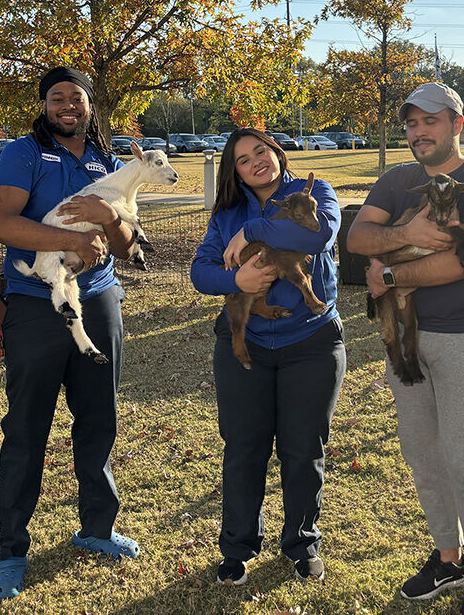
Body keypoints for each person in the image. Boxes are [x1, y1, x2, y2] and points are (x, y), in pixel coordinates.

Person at [347, 82, 464, 615]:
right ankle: (448, 558)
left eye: (431, 121)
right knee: (424, 457)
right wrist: (408, 232)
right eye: (412, 123)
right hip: (406, 340)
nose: (419, 132)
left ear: (457, 124)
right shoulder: (396, 180)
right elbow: (355, 241)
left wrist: (389, 270)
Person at [0, 66, 141, 599]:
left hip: (99, 300)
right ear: (44, 105)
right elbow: (0, 223)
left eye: (77, 98)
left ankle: (97, 527)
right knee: (27, 429)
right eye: (57, 98)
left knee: (99, 419)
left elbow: (124, 245)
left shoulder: (105, 159)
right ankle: (11, 551)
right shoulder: (22, 153)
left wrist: (109, 219)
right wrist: (66, 239)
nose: (67, 106)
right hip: (34, 305)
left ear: (90, 106)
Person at [190, 129, 345, 585]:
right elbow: (201, 271)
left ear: (277, 152)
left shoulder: (313, 193)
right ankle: (238, 547)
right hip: (248, 344)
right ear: (233, 171)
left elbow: (319, 237)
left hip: (310, 342)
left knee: (303, 449)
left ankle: (302, 543)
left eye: (261, 151)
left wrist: (253, 230)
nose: (256, 162)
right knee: (244, 448)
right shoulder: (226, 214)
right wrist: (234, 284)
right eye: (242, 159)